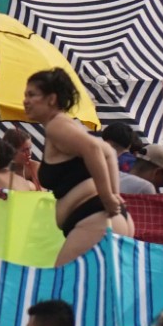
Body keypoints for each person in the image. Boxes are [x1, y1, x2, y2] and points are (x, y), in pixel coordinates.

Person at [25, 68, 132, 265]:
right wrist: (113, 195)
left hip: (95, 220)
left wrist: (108, 197)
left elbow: (93, 149)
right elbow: (108, 152)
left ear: (51, 99)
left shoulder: (57, 126)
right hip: (103, 219)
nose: (25, 101)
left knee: (62, 281)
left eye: (32, 95)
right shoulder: (68, 124)